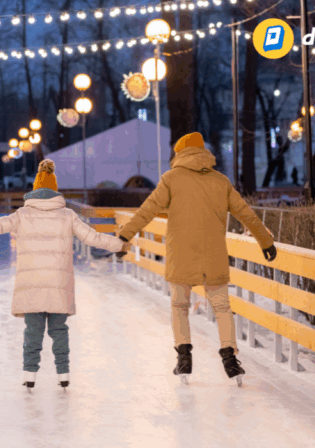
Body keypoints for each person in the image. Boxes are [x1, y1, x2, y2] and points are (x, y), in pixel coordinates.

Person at [0, 159, 131, 390]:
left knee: (33, 332)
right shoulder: (67, 216)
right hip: (58, 283)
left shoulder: (22, 215)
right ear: (55, 192)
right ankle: (63, 374)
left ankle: (29, 375)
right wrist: (119, 245)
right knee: (59, 331)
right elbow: (93, 238)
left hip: (31, 284)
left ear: (34, 191)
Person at [117, 132, 276, 386]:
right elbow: (245, 213)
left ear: (180, 154)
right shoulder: (220, 181)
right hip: (214, 257)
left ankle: (183, 357)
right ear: (204, 153)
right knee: (222, 308)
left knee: (179, 307)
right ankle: (230, 357)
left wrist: (124, 235)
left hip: (181, 256)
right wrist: (265, 242)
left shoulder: (171, 179)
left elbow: (148, 210)